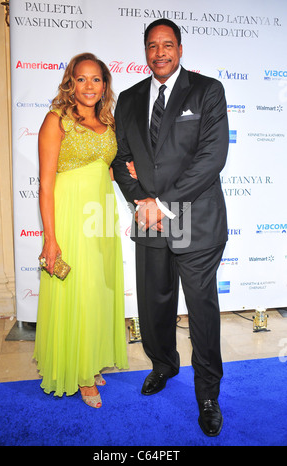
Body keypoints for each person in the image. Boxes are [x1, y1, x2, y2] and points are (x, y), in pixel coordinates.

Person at [112, 19, 229, 436]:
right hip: (150, 221)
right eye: (151, 46)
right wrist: (142, 202)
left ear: (180, 48)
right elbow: (119, 159)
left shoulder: (207, 91)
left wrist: (161, 203)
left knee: (201, 314)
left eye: (167, 45)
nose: (159, 52)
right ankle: (163, 365)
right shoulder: (127, 99)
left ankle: (208, 394)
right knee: (155, 305)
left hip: (196, 220)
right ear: (145, 51)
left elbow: (211, 158)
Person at [33, 53, 129, 408]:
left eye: (96, 79)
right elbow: (45, 184)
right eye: (82, 79)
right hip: (71, 216)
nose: (89, 86)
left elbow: (106, 170)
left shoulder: (108, 121)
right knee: (80, 290)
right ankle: (81, 376)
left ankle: (89, 356)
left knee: (99, 290)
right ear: (70, 83)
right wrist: (51, 238)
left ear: (105, 85)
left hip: (101, 216)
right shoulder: (56, 120)